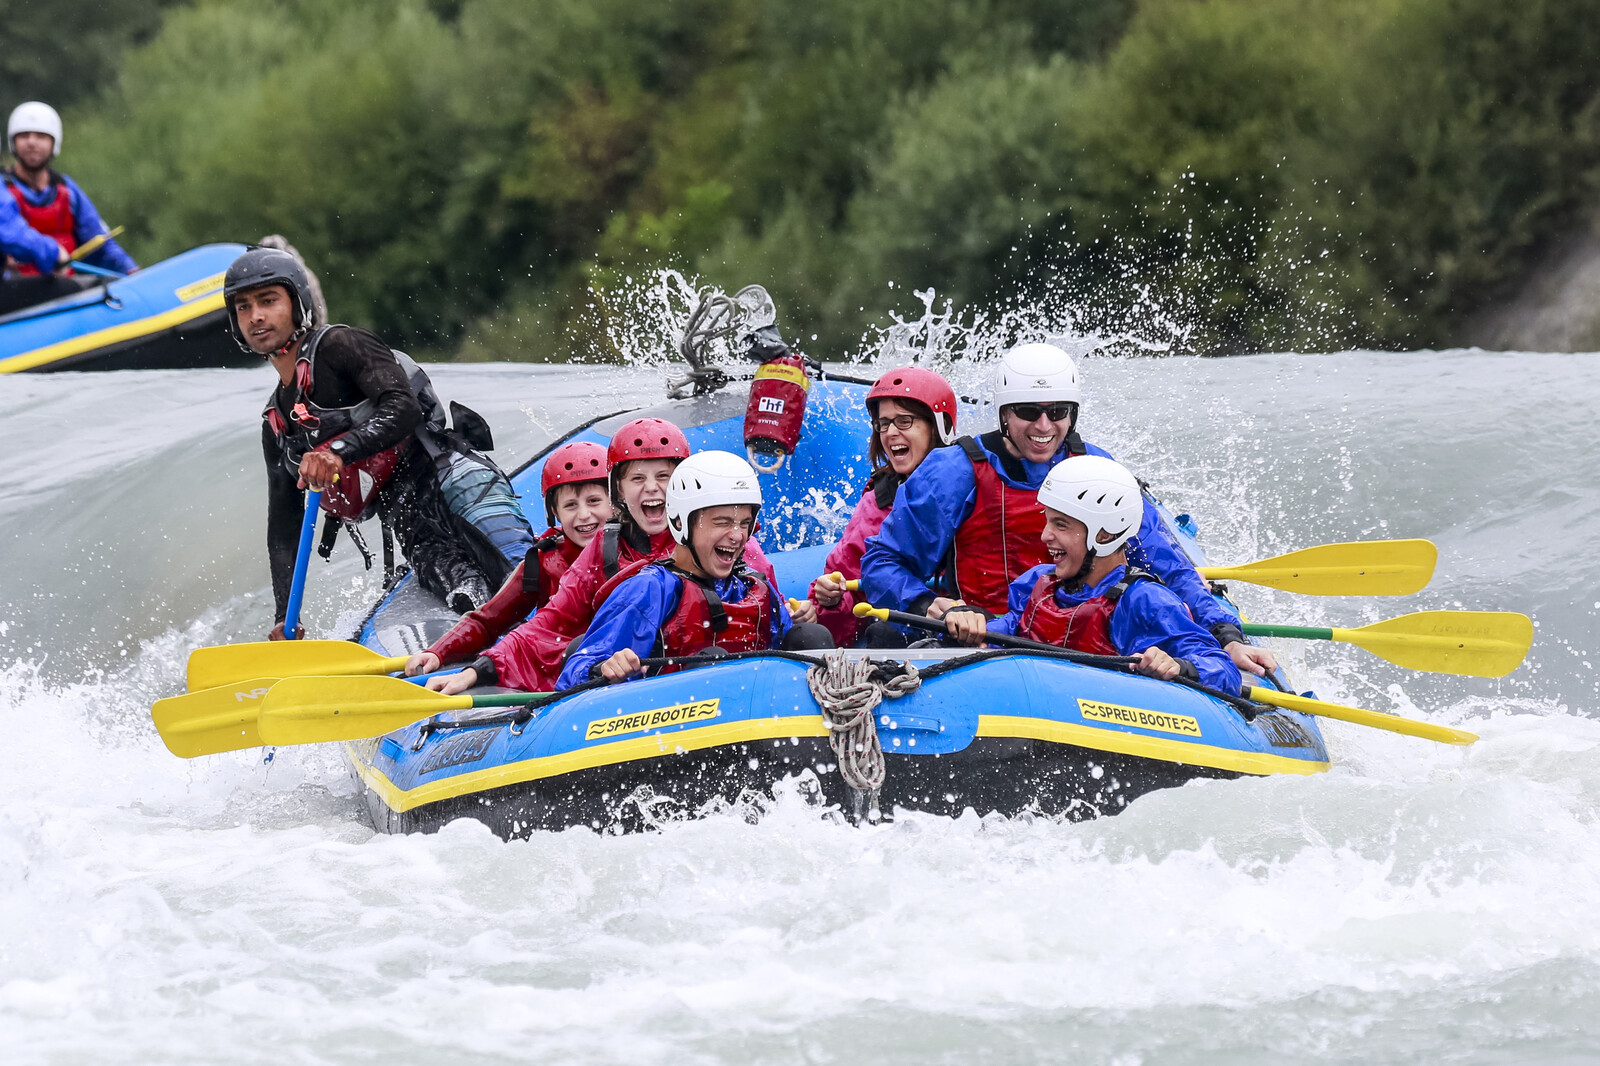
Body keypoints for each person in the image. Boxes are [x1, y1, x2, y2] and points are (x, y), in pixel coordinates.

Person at [859, 342, 1276, 676]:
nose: (1044, 427)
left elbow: (1168, 568)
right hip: (983, 638)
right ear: (1005, 414)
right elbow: (881, 563)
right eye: (1028, 412)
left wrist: (1225, 635)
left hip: (1084, 643)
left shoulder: (1098, 472)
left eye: (1057, 413)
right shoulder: (952, 472)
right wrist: (925, 605)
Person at [225, 246, 532, 638]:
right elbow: (284, 526)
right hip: (410, 524)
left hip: (454, 482)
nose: (256, 316)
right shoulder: (278, 424)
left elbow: (402, 408)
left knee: (525, 583)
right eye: (244, 307)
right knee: (470, 601)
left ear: (297, 303)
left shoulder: (340, 346)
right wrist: (286, 616)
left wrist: (336, 451)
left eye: (269, 301)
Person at [411, 417, 803, 688]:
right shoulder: (605, 548)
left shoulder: (729, 542)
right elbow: (545, 625)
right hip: (627, 678)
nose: (652, 490)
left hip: (712, 673)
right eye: (638, 478)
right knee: (581, 646)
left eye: (664, 477)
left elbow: (769, 615)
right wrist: (474, 668)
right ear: (619, 490)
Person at [945, 456, 1243, 696]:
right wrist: (972, 625)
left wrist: (1178, 666)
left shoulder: (1144, 601)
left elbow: (1223, 669)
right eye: (1048, 522)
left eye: (1061, 525)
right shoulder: (1039, 584)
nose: (1045, 535)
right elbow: (1007, 632)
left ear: (1104, 534)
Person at [401, 440, 611, 675]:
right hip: (564, 666)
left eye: (594, 501)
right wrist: (437, 652)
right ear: (555, 513)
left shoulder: (636, 551)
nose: (584, 515)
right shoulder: (543, 562)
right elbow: (488, 620)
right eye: (570, 505)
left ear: (615, 502)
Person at [808, 366, 958, 647]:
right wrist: (830, 601)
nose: (890, 433)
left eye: (904, 421)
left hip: (962, 635)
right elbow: (848, 610)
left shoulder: (972, 491)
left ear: (939, 427)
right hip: (896, 638)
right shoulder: (877, 503)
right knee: (882, 632)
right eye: (883, 423)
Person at [1, 102, 138, 314]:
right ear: (13, 142)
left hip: (64, 285)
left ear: (53, 143)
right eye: (24, 135)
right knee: (82, 288)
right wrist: (54, 253)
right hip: (19, 292)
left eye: (40, 136)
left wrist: (131, 271)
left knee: (97, 284)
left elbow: (100, 244)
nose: (31, 143)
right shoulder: (3, 189)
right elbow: (11, 234)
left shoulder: (67, 190)